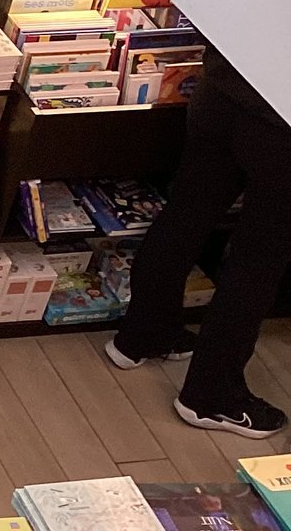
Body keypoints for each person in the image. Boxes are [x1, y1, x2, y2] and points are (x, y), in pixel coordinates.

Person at [110, 48, 291, 437]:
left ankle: (143, 333)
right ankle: (211, 395)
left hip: (222, 88)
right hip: (281, 127)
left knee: (186, 213)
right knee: (259, 260)